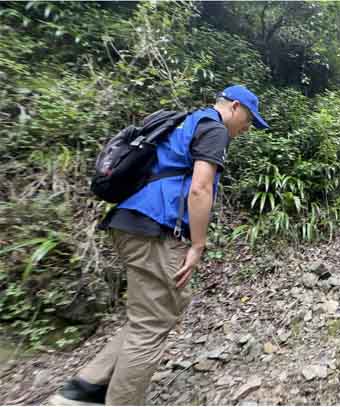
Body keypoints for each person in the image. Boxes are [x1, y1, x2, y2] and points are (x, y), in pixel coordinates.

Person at [49, 85, 269, 405]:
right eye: (249, 119)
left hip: (129, 221)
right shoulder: (214, 129)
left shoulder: (187, 122)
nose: (248, 128)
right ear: (235, 107)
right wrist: (198, 245)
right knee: (153, 324)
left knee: (149, 316)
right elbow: (200, 189)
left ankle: (83, 389)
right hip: (153, 228)